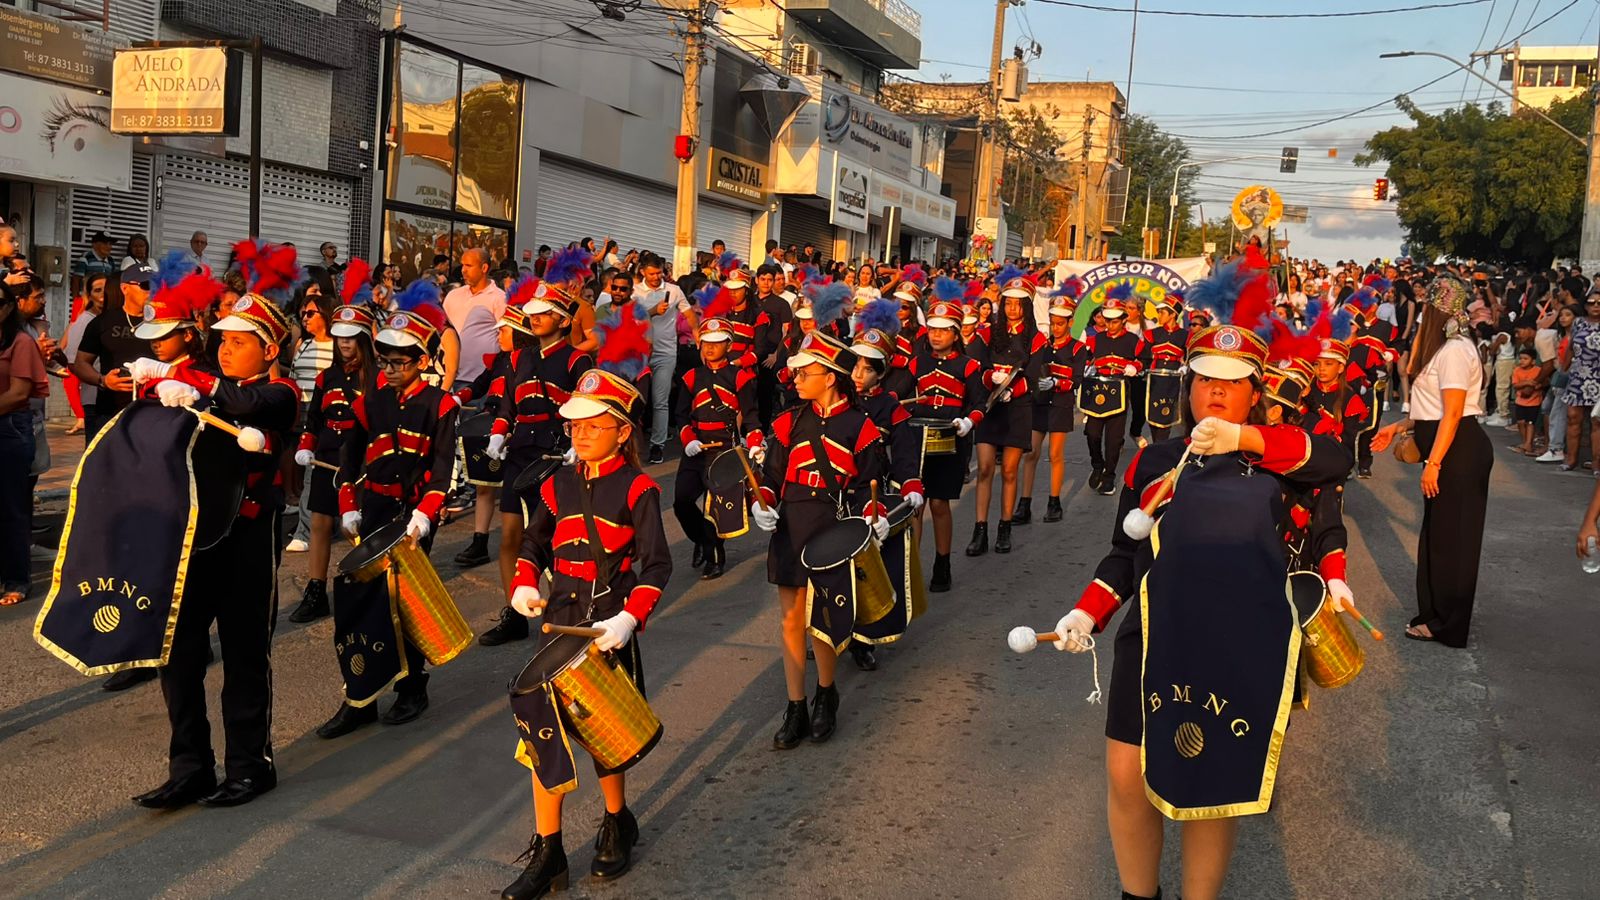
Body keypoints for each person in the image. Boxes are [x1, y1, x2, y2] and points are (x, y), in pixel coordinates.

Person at [1051, 319, 1352, 900]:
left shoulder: (1279, 457)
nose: (1217, 389)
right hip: (1154, 634)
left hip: (1234, 645)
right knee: (1126, 777)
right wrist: (1086, 613)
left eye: (1233, 381)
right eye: (1206, 378)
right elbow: (1125, 553)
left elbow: (1334, 459)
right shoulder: (1154, 461)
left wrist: (1244, 439)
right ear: (1187, 386)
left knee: (1210, 789)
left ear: (1256, 391)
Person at [123, 247, 300, 808]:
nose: (225, 349)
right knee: (177, 654)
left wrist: (184, 378)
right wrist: (158, 385)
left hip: (248, 539)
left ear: (269, 350)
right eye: (222, 340)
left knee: (245, 654)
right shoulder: (205, 385)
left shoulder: (281, 393)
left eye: (239, 342)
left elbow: (245, 401)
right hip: (194, 537)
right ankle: (190, 767)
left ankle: (250, 766)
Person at [499, 369, 670, 899]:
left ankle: (617, 820)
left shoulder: (638, 487)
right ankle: (548, 850)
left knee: (604, 734)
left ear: (622, 431)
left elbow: (657, 565)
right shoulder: (557, 483)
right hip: (556, 622)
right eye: (576, 426)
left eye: (595, 425)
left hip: (605, 626)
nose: (581, 434)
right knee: (541, 737)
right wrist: (524, 581)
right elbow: (534, 542)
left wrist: (629, 619)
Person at [317, 293, 458, 738]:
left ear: (422, 361)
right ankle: (360, 695)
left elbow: (442, 471)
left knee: (405, 603)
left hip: (413, 516)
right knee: (364, 603)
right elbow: (348, 460)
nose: (391, 369)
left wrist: (424, 516)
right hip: (375, 510)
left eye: (401, 362)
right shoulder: (369, 402)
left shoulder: (441, 405)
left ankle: (412, 686)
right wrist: (348, 506)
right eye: (386, 361)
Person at [752, 331, 888, 749]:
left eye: (804, 373)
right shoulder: (788, 421)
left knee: (822, 621)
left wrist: (874, 517)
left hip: (832, 529)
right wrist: (762, 502)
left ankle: (826, 693)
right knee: (791, 620)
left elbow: (870, 485)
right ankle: (795, 705)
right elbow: (772, 476)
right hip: (791, 526)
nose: (795, 379)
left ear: (830, 377)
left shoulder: (861, 427)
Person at [1372, 272, 1494, 647]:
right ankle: (1435, 613)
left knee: (1453, 541)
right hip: (1448, 448)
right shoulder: (1445, 348)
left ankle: (1448, 624)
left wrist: (1435, 463)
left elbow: (1453, 413)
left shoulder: (1455, 350)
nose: (1423, 313)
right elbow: (1432, 409)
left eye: (1428, 306)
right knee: (1439, 538)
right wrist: (1399, 426)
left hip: (1458, 452)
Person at [479, 285, 591, 647]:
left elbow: (585, 407)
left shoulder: (577, 361)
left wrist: (577, 445)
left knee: (553, 537)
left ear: (563, 320)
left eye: (545, 312)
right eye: (534, 312)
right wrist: (499, 434)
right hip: (520, 452)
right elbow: (508, 405)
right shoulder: (518, 359)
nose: (536, 318)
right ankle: (514, 612)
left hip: (555, 455)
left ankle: (562, 616)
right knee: (510, 535)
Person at [288, 270, 379, 623]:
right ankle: (315, 590)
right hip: (327, 456)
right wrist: (307, 445)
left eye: (351, 337)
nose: (344, 343)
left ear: (363, 339)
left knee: (357, 527)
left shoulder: (376, 378)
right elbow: (314, 417)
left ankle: (366, 587)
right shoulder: (327, 375)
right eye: (340, 336)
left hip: (361, 460)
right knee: (321, 524)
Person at [847, 326, 925, 669]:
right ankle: (829, 632)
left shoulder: (890, 409)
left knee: (867, 572)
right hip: (832, 496)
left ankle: (862, 640)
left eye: (867, 369)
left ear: (880, 374)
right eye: (855, 365)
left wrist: (911, 485)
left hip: (869, 498)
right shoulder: (835, 398)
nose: (857, 375)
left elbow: (905, 454)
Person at [454, 294, 539, 570]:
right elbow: (480, 384)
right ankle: (479, 541)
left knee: (520, 488)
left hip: (519, 428)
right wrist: (458, 398)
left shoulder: (532, 361)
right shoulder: (500, 359)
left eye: (503, 330)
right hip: (493, 423)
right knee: (484, 485)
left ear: (519, 334)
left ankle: (526, 543)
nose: (498, 334)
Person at [906, 292, 984, 592]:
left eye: (943, 330)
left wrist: (969, 422)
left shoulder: (969, 366)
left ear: (955, 333)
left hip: (950, 440)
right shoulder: (917, 363)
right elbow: (900, 393)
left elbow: (979, 404)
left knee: (939, 503)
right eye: (932, 329)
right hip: (918, 439)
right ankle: (911, 568)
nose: (936, 335)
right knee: (915, 503)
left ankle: (942, 562)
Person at [672, 317, 759, 580]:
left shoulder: (740, 377)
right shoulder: (691, 376)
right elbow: (681, 415)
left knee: (717, 508)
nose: (709, 348)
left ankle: (714, 557)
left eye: (717, 343)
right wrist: (688, 440)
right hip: (696, 447)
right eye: (706, 343)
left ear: (729, 345)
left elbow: (751, 416)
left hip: (725, 448)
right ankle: (702, 539)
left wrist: (755, 443)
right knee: (682, 501)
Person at [968, 271, 1045, 554]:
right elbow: (973, 363)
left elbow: (1033, 377)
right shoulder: (988, 332)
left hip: (1017, 408)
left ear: (1027, 306)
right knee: (985, 468)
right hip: (990, 406)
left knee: (1010, 471)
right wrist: (990, 378)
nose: (1012, 309)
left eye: (1018, 304)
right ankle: (980, 530)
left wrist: (1014, 390)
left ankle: (1005, 527)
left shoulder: (1036, 338)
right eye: (1008, 303)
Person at [0, 281, 47, 606]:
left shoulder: (21, 342)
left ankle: (17, 579)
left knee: (11, 508)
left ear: (8, 308)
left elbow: (19, 394)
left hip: (9, 429)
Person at [72, 263, 155, 441]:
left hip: (153, 411)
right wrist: (103, 380)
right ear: (125, 289)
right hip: (110, 411)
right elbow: (80, 363)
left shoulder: (164, 322)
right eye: (146, 285)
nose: (152, 290)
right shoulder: (103, 322)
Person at [1080, 290, 1150, 495]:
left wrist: (1135, 366)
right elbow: (1085, 358)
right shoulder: (1096, 339)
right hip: (1097, 391)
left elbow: (1146, 358)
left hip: (1119, 391)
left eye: (1114, 321)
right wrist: (1086, 367)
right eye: (1107, 320)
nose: (1110, 325)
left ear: (1124, 319)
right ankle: (1097, 464)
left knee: (1114, 438)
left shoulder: (1133, 341)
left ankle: (1109, 476)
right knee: (1092, 433)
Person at [1027, 285, 1083, 524]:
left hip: (1060, 404)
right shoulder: (1043, 345)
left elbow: (1077, 379)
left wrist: (1057, 383)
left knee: (1055, 454)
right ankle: (1024, 503)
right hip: (1040, 403)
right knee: (1031, 453)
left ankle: (1054, 501)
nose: (1056, 327)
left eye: (1060, 323)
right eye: (1053, 323)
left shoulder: (1078, 348)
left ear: (1070, 322)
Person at [634, 255, 690, 464]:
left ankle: (657, 445)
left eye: (659, 272)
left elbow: (689, 313)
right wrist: (653, 311)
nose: (656, 277)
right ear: (642, 272)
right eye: (652, 273)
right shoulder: (634, 292)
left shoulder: (674, 290)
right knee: (636, 400)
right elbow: (630, 319)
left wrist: (697, 333)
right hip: (638, 353)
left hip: (665, 353)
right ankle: (631, 445)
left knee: (660, 401)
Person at [443, 247, 507, 388]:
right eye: (462, 265)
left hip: (479, 381)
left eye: (469, 266)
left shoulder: (499, 298)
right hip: (447, 377)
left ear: (484, 268)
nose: (463, 270)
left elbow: (506, 337)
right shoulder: (453, 295)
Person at [1557, 287, 1600, 470]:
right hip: (1578, 376)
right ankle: (1571, 459)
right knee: (1573, 417)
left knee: (1597, 421)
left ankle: (1597, 463)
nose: (1596, 306)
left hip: (1598, 378)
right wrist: (1563, 370)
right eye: (1591, 302)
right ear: (1585, 306)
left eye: (1599, 303)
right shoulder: (1579, 323)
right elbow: (1571, 347)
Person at [1511, 346, 1546, 455]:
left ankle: (1529, 444)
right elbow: (1515, 385)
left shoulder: (1538, 370)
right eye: (1520, 358)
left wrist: (1536, 386)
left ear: (1533, 361)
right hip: (1520, 402)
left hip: (1534, 402)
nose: (1522, 361)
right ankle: (1525, 442)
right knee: (1521, 422)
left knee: (1530, 423)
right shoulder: (1517, 370)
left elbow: (1545, 382)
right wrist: (1527, 383)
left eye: (1525, 359)